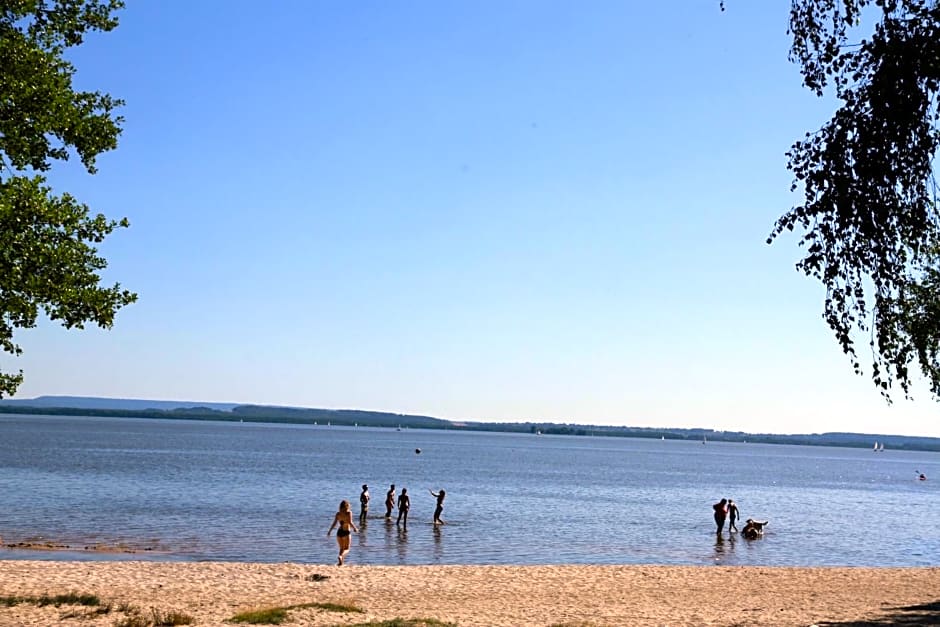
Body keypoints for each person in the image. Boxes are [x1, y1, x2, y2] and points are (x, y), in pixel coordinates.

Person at [327, 499, 358, 565]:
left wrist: (330, 531)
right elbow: (350, 522)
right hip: (346, 532)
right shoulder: (349, 513)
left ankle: (340, 562)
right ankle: (341, 557)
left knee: (341, 548)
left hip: (339, 532)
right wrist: (355, 528)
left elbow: (334, 523)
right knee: (347, 549)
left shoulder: (338, 514)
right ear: (347, 506)